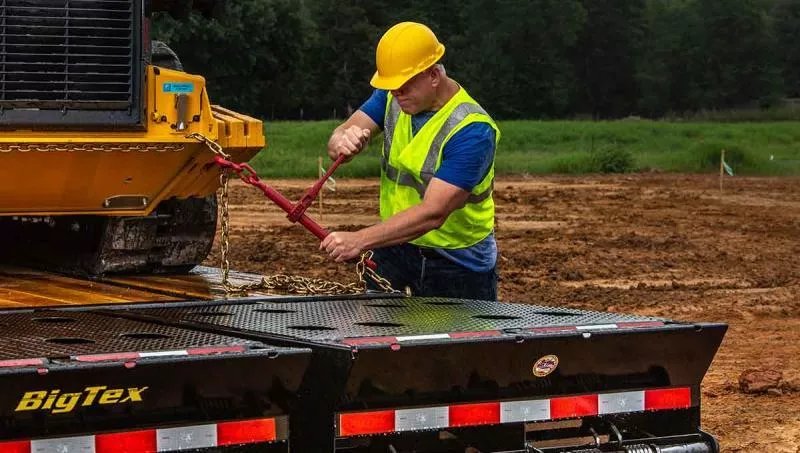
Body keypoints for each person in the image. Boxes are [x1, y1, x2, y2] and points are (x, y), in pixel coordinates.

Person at [320, 22, 500, 300]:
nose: (396, 94)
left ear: (434, 74)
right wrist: (342, 141)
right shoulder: (393, 98)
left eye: (404, 86)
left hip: (455, 261)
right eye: (391, 87)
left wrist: (360, 240)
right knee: (377, 339)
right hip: (393, 245)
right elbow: (339, 136)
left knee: (458, 343)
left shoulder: (473, 130)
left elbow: (434, 212)